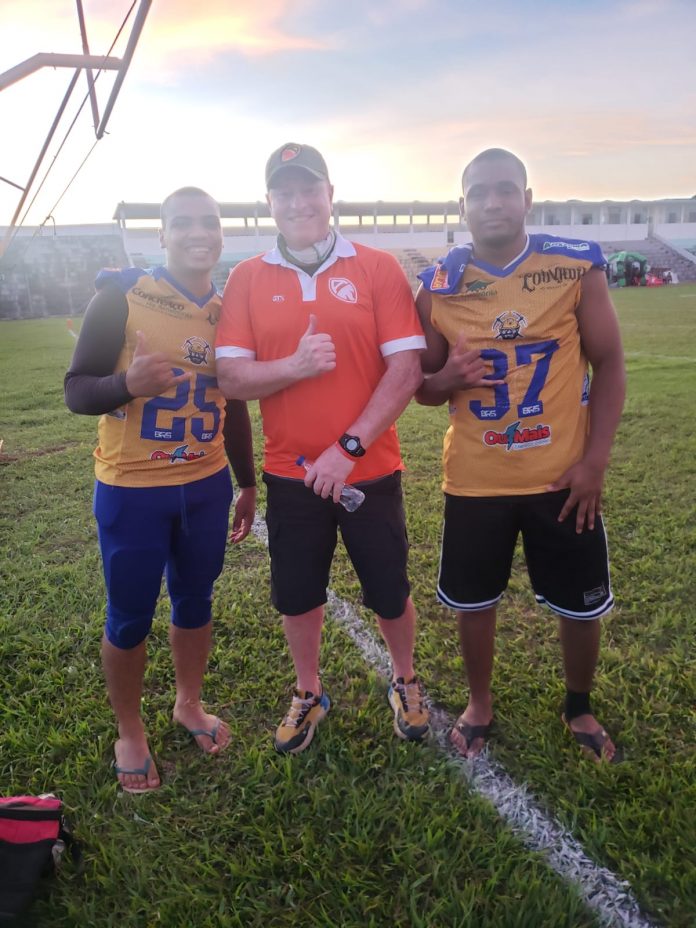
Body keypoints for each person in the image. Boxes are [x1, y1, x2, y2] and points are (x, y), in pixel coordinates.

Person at [215, 143, 430, 754]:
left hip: (370, 468)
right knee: (298, 595)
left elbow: (406, 371)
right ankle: (308, 692)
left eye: (309, 188)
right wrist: (294, 365)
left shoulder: (377, 267)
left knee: (389, 590)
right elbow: (232, 379)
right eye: (284, 192)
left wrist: (349, 448)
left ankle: (406, 679)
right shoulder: (248, 277)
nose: (298, 201)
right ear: (269, 204)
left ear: (330, 193)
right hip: (290, 475)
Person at [416, 148, 625, 763]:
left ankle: (578, 705)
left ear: (527, 198)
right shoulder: (439, 283)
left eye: (506, 189)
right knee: (475, 603)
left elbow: (610, 363)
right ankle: (479, 704)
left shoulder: (573, 267)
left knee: (578, 603)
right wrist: (448, 377)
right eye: (479, 192)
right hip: (476, 478)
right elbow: (422, 388)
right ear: (463, 205)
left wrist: (595, 462)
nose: (493, 202)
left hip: (561, 476)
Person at [65, 187, 256, 792]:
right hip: (133, 489)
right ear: (162, 235)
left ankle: (188, 703)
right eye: (183, 224)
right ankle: (130, 730)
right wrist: (127, 382)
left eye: (210, 222)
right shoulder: (119, 294)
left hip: (204, 485)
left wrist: (247, 481)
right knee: (128, 617)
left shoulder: (228, 311)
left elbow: (238, 404)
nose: (198, 233)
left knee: (195, 600)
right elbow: (76, 390)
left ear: (221, 234)